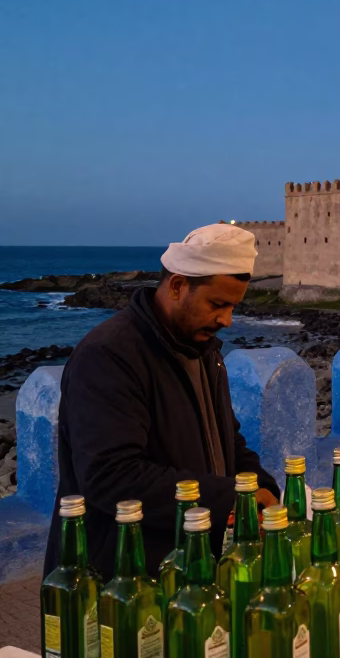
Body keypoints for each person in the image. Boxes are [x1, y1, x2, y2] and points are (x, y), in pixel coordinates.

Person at [44, 224, 281, 578]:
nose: (227, 320)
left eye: (233, 306)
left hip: (190, 567)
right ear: (177, 286)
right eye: (217, 304)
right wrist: (235, 499)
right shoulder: (108, 355)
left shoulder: (204, 351)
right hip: (124, 577)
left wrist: (263, 488)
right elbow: (111, 477)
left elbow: (228, 444)